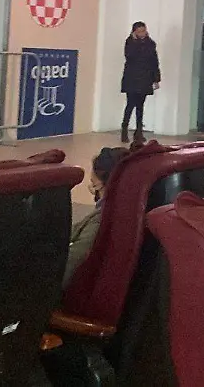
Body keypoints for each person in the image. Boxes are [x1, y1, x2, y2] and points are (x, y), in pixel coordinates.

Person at [65, 146, 133, 286]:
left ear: (102, 185)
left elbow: (70, 265)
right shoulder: (132, 211)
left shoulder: (101, 221)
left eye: (93, 184)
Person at [121, 21, 161, 143]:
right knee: (130, 104)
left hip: (145, 78)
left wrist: (156, 79)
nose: (142, 33)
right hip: (132, 78)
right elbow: (129, 56)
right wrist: (135, 41)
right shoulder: (130, 43)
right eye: (139, 32)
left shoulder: (151, 44)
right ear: (134, 32)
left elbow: (154, 62)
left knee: (140, 106)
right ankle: (124, 129)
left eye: (143, 31)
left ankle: (139, 132)